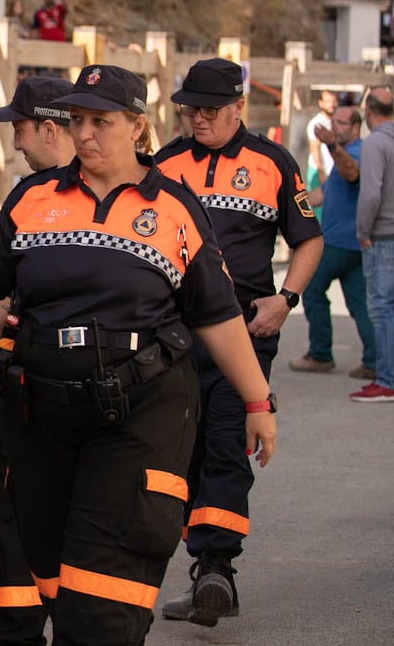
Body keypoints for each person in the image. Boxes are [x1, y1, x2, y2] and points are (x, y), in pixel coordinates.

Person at [0, 63, 278, 644]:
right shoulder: (34, 197)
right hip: (42, 411)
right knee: (50, 570)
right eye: (77, 120)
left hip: (137, 413)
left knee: (103, 596)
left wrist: (257, 400)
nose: (86, 134)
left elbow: (218, 316)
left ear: (137, 126)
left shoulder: (173, 208)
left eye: (101, 121)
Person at [154, 58, 322, 628]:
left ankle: (215, 568)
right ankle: (199, 562)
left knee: (227, 441)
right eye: (189, 109)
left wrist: (286, 299)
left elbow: (308, 241)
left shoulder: (272, 162)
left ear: (238, 108)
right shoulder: (165, 162)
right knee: (184, 449)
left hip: (246, 332)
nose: (197, 118)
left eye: (208, 110)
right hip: (173, 332)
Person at [0, 75, 74, 646]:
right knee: (12, 506)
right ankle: (20, 628)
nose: (14, 142)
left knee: (27, 507)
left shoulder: (59, 194)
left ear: (48, 128)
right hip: (23, 374)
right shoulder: (30, 195)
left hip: (52, 387)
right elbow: (11, 276)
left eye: (19, 128)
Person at [289, 106, 377, 380]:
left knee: (312, 288)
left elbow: (352, 174)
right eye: (333, 122)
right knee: (359, 302)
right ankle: (375, 360)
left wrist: (331, 145)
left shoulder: (356, 152)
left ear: (354, 128)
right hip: (351, 245)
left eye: (341, 123)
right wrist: (289, 204)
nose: (335, 127)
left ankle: (320, 354)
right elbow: (323, 193)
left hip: (340, 243)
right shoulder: (342, 155)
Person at [354, 87, 394, 401]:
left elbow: (370, 193)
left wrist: (363, 231)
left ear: (368, 112)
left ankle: (386, 380)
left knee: (381, 310)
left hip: (382, 235)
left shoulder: (375, 143)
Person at [306, 90, 338, 195]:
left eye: (334, 101)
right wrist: (320, 172)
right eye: (328, 101)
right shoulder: (317, 123)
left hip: (332, 171)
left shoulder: (336, 121)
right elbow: (314, 148)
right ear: (321, 103)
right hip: (319, 171)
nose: (331, 105)